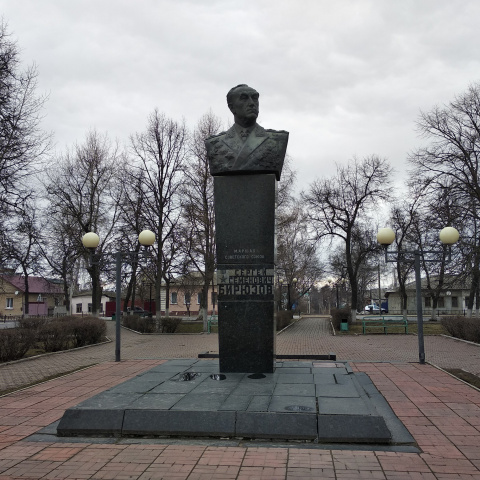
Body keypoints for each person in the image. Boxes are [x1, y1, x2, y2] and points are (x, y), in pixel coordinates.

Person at [205, 84, 289, 180]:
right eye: (244, 98)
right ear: (232, 107)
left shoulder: (277, 140)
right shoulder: (214, 144)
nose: (252, 103)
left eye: (255, 98)